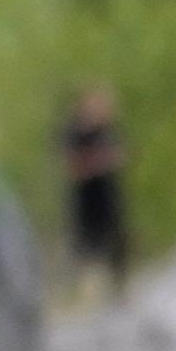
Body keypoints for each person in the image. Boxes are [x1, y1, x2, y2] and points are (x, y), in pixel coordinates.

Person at [60, 87, 132, 304]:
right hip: (86, 198)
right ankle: (82, 294)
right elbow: (73, 166)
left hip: (108, 196)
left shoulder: (107, 131)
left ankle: (118, 290)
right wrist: (98, 162)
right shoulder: (75, 133)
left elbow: (120, 156)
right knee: (85, 245)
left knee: (116, 242)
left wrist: (111, 159)